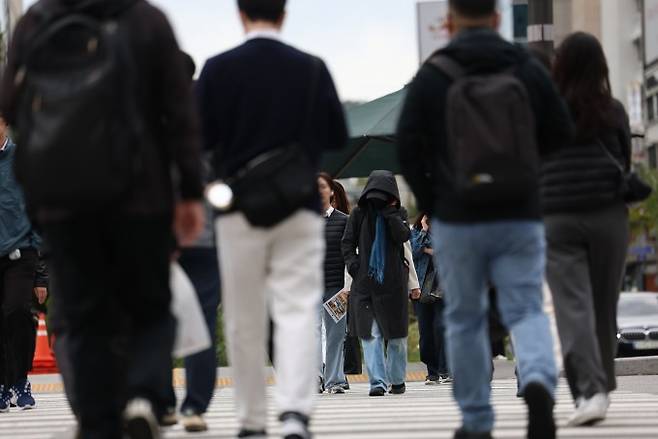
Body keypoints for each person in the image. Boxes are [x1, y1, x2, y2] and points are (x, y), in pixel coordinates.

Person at [0, 1, 205, 438]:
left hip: (64, 198)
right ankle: (145, 396)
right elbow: (180, 112)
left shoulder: (39, 19)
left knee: (81, 311)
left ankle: (97, 418)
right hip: (141, 193)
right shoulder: (147, 20)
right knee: (149, 304)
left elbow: (11, 102)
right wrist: (189, 192)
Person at [397, 0, 573, 437]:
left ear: (451, 21)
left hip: (458, 216)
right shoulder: (527, 68)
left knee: (465, 316)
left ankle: (476, 418)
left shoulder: (433, 74)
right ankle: (535, 380)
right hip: (519, 211)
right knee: (527, 306)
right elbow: (561, 135)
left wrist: (433, 200)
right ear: (497, 19)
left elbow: (407, 147)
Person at [196, 0, 347, 437]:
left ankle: (251, 419)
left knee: (243, 315)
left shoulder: (218, 69)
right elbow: (336, 134)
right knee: (298, 308)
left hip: (238, 210)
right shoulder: (311, 68)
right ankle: (296, 412)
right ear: (284, 14)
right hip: (298, 206)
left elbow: (200, 138)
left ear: (240, 14)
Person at [542, 32, 631, 426]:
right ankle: (599, 389)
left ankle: (590, 391)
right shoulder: (613, 110)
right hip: (608, 215)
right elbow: (625, 161)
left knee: (572, 305)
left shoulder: (544, 110)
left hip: (558, 217)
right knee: (603, 304)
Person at [162, 51, 222, 434]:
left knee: (157, 319)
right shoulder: (215, 119)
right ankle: (195, 406)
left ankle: (163, 402)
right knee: (201, 322)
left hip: (157, 237)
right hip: (206, 237)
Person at [341, 170, 414, 397]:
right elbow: (347, 243)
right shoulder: (358, 214)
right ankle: (378, 383)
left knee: (397, 337)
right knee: (370, 334)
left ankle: (397, 380)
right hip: (365, 284)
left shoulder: (399, 212)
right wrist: (355, 266)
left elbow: (403, 236)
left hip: (393, 284)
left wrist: (390, 213)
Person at [0, 115, 48, 413]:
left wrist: (41, 276)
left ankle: (19, 381)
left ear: (4, 122)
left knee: (16, 313)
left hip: (21, 254)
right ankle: (4, 385)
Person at [317, 173, 349, 394]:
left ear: (331, 191)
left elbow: (350, 256)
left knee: (336, 335)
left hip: (336, 287)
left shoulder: (344, 221)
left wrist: (348, 287)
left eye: (321, 187)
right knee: (310, 333)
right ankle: (315, 378)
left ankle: (334, 380)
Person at [410, 214, 450, 385]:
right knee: (425, 333)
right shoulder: (416, 231)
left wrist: (429, 249)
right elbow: (413, 252)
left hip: (444, 287)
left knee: (442, 328)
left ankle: (445, 370)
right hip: (421, 289)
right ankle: (431, 372)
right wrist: (424, 232)